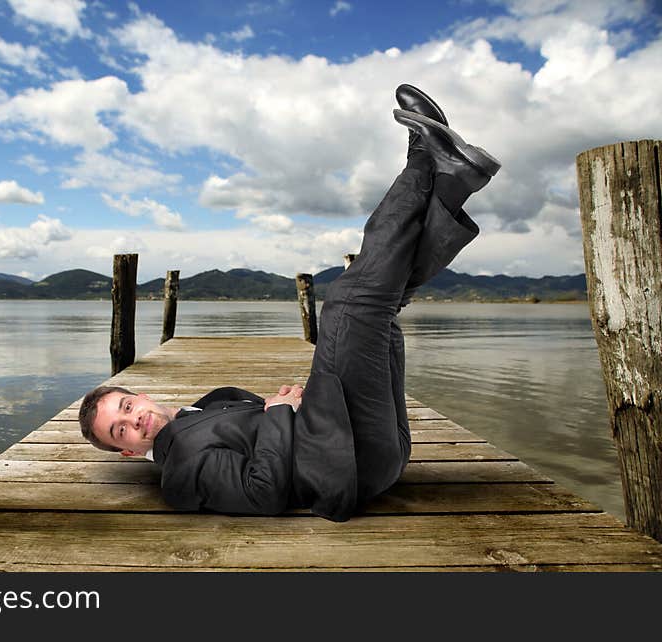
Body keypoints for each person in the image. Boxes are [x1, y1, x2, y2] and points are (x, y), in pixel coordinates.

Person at [79, 84, 500, 522]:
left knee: (382, 306)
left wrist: (275, 410)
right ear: (127, 452)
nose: (134, 421)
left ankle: (451, 180)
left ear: (140, 396)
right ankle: (426, 163)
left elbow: (258, 435)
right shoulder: (179, 467)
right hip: (350, 461)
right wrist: (280, 413)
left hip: (359, 441)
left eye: (127, 408)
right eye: (120, 431)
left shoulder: (200, 411)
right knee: (347, 305)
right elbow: (261, 494)